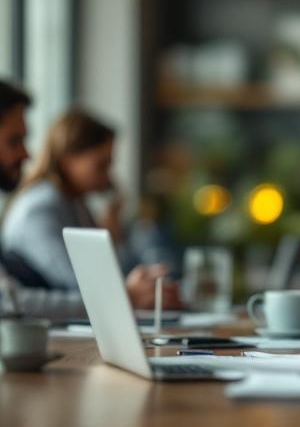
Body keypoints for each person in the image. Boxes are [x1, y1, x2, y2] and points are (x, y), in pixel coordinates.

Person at [0, 86, 180, 316]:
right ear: (67, 160)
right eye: (100, 165)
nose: (109, 176)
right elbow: (83, 286)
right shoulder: (40, 209)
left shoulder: (75, 204)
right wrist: (126, 295)